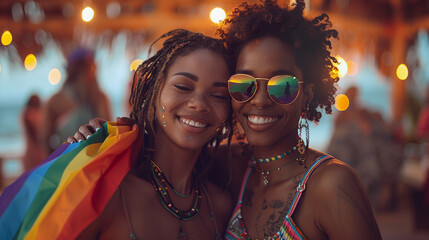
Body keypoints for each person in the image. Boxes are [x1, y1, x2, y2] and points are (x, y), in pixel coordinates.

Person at [69, 1, 382, 239]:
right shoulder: (231, 168)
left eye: (282, 86)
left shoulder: (332, 185)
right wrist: (107, 139)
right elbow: (166, 155)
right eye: (243, 85)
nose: (259, 99)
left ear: (308, 94)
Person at [0, 29, 234, 240]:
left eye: (219, 95)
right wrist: (74, 156)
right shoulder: (104, 194)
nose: (199, 104)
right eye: (183, 86)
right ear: (153, 95)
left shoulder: (220, 206)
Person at [41, 47, 112, 154]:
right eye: (93, 66)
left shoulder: (55, 100)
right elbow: (109, 134)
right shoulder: (99, 98)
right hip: (93, 160)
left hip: (67, 162)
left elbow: (44, 141)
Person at [21, 94, 46, 172]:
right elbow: (38, 136)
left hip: (31, 153)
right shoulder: (31, 115)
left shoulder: (26, 114)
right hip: (36, 154)